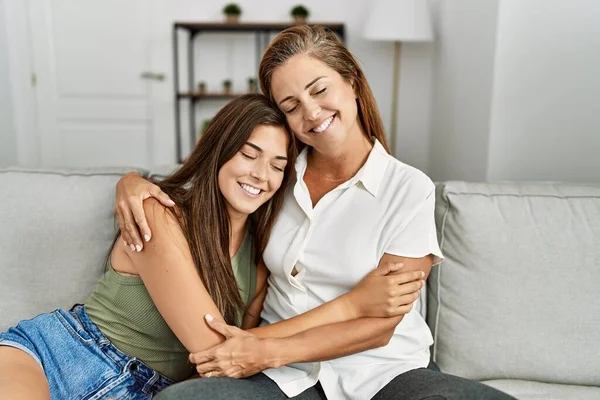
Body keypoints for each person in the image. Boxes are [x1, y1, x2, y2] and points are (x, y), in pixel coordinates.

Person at [114, 26, 515, 400]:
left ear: (352, 82)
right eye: (291, 105)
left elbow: (380, 325)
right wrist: (130, 182)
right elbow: (206, 181)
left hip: (384, 372)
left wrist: (265, 350)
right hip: (280, 376)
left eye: (319, 90)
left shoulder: (408, 190)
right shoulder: (275, 174)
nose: (311, 112)